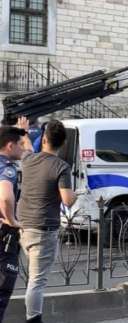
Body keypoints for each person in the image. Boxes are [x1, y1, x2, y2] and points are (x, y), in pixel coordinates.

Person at [18, 120, 77, 323]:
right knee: (37, 280)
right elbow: (68, 200)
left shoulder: (28, 160)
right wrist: (77, 195)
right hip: (43, 230)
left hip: (22, 227)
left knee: (31, 278)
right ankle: (33, 320)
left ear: (43, 139)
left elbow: (25, 146)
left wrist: (24, 132)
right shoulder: (61, 166)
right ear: (63, 143)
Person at [0, 121, 31, 321]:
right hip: (4, 237)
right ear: (9, 146)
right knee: (2, 289)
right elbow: (5, 196)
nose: (23, 148)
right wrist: (12, 220)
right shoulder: (7, 168)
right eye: (20, 144)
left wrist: (24, 132)